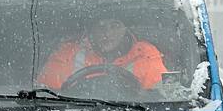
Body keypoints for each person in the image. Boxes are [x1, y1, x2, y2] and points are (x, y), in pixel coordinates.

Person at [38, 16, 167, 92]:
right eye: (100, 26)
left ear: (126, 29)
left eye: (115, 25)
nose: (107, 33)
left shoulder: (145, 54)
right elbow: (47, 96)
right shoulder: (68, 54)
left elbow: (159, 98)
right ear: (91, 30)